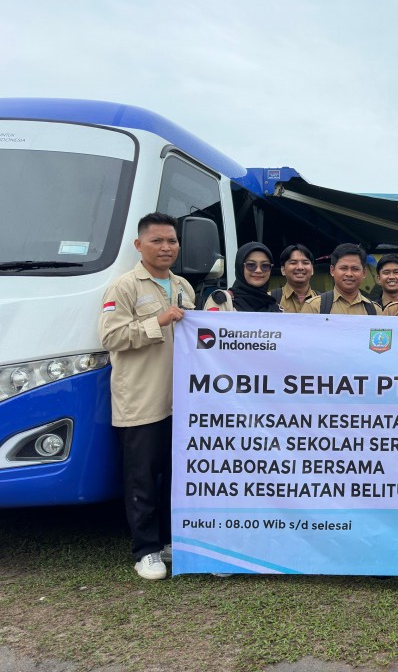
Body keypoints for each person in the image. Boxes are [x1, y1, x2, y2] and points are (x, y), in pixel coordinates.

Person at [98, 212, 195, 580]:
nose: (166, 247)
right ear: (139, 245)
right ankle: (146, 550)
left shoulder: (183, 285)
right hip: (141, 400)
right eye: (157, 241)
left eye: (171, 241)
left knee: (177, 475)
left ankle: (171, 541)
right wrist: (159, 321)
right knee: (142, 477)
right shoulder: (124, 287)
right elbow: (110, 337)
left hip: (181, 401)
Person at [206, 243, 283, 312]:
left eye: (265, 266)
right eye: (251, 265)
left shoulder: (276, 309)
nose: (258, 270)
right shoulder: (221, 300)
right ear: (240, 268)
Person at [317, 243, 382, 315]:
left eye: (355, 269)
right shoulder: (315, 306)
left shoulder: (375, 311)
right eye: (343, 268)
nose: (349, 274)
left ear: (364, 273)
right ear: (332, 270)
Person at [272, 244, 320, 313]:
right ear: (283, 270)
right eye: (293, 263)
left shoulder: (324, 302)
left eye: (305, 263)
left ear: (312, 269)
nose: (300, 267)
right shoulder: (271, 299)